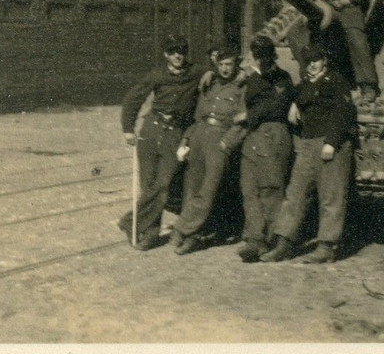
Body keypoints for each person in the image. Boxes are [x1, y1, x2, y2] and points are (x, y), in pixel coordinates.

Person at [261, 45, 358, 264]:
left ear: (324, 60)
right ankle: (284, 243)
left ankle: (326, 247)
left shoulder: (336, 81)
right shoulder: (305, 84)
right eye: (308, 61)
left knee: (330, 197)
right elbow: (286, 92)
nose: (312, 64)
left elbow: (345, 112)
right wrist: (294, 103)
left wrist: (332, 142)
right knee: (295, 194)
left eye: (316, 60)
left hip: (331, 144)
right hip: (308, 144)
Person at [119, 35, 201, 251]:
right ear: (166, 54)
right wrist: (128, 129)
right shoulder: (157, 75)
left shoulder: (196, 73)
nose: (177, 56)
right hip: (151, 130)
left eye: (181, 51)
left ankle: (130, 222)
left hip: (175, 133)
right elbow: (133, 98)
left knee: (163, 185)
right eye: (173, 51)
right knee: (148, 186)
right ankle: (150, 234)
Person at [169, 44, 248, 255]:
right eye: (221, 64)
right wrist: (186, 139)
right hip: (199, 136)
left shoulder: (242, 87)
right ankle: (191, 235)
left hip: (220, 139)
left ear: (236, 66)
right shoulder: (209, 83)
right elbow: (197, 117)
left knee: (208, 189)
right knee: (191, 186)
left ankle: (182, 229)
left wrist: (227, 143)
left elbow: (242, 121)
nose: (225, 69)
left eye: (229, 64)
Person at [235, 35, 296, 263]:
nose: (261, 60)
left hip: (273, 134)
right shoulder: (251, 78)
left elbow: (276, 104)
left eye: (265, 55)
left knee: (271, 190)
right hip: (252, 137)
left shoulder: (282, 78)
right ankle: (254, 239)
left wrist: (249, 115)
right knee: (249, 190)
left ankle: (272, 240)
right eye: (257, 55)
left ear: (273, 55)